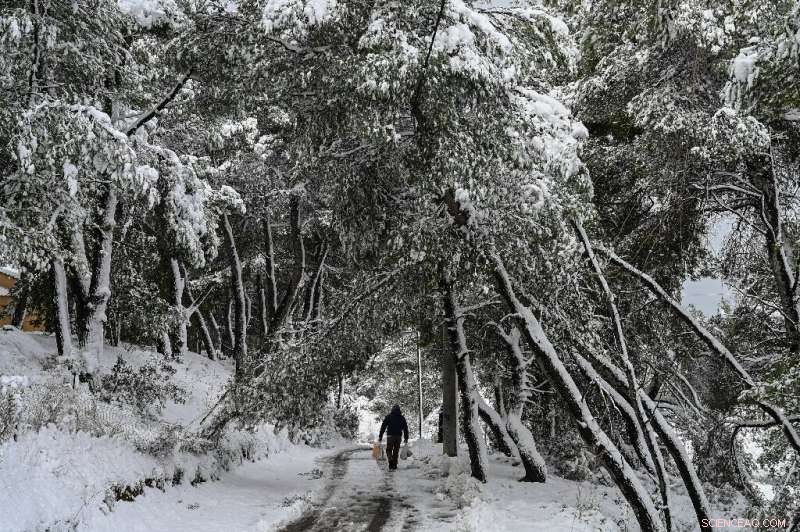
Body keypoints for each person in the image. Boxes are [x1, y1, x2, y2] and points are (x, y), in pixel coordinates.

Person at [378, 404, 409, 470]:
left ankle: (390, 461)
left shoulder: (389, 417)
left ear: (392, 409)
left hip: (390, 436)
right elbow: (405, 428)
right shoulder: (402, 418)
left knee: (389, 450)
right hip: (398, 437)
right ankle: (394, 465)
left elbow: (383, 427)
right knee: (396, 451)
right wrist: (406, 438)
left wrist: (380, 436)